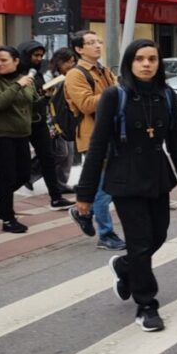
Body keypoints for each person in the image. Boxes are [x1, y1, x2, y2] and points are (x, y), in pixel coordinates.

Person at [76, 39, 177, 332]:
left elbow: (176, 143)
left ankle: (124, 266)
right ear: (129, 63)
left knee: (158, 235)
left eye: (152, 59)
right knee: (140, 243)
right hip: (125, 179)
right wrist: (85, 193)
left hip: (158, 177)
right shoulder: (114, 96)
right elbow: (97, 146)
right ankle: (146, 305)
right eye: (140, 59)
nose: (146, 64)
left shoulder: (166, 95)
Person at [65, 30, 125, 251]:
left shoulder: (104, 70)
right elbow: (86, 104)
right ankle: (105, 234)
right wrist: (115, 91)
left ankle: (83, 212)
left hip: (112, 134)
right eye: (91, 43)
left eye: (98, 41)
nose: (97, 45)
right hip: (93, 137)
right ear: (79, 49)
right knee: (103, 188)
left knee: (110, 183)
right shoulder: (76, 74)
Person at [0, 46, 39, 233]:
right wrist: (18, 85)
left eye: (4, 60)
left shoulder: (24, 79)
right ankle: (7, 218)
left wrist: (44, 95)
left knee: (23, 175)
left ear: (16, 61)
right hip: (0, 136)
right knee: (7, 177)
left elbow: (30, 103)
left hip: (21, 135)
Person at [18, 40, 75, 209]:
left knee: (51, 158)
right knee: (18, 166)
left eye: (41, 55)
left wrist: (46, 97)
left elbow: (42, 100)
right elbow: (26, 102)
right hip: (23, 124)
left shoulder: (38, 73)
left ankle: (56, 197)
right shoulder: (18, 75)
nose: (38, 58)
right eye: (35, 55)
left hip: (42, 122)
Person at [47, 48, 78, 188]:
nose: (70, 65)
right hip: (54, 121)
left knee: (69, 154)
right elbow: (48, 102)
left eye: (72, 61)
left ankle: (61, 184)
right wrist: (50, 124)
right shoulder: (50, 77)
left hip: (67, 119)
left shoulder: (72, 76)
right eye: (67, 62)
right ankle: (30, 173)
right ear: (58, 62)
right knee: (61, 153)